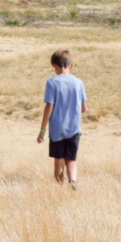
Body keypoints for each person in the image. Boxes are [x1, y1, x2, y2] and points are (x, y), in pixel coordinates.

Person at [36, 49, 87, 187]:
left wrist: (42, 130)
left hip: (57, 130)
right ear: (71, 66)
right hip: (74, 128)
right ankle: (73, 181)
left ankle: (60, 188)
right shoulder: (79, 82)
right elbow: (84, 108)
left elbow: (49, 107)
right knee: (71, 160)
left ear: (55, 66)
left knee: (58, 161)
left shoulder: (52, 82)